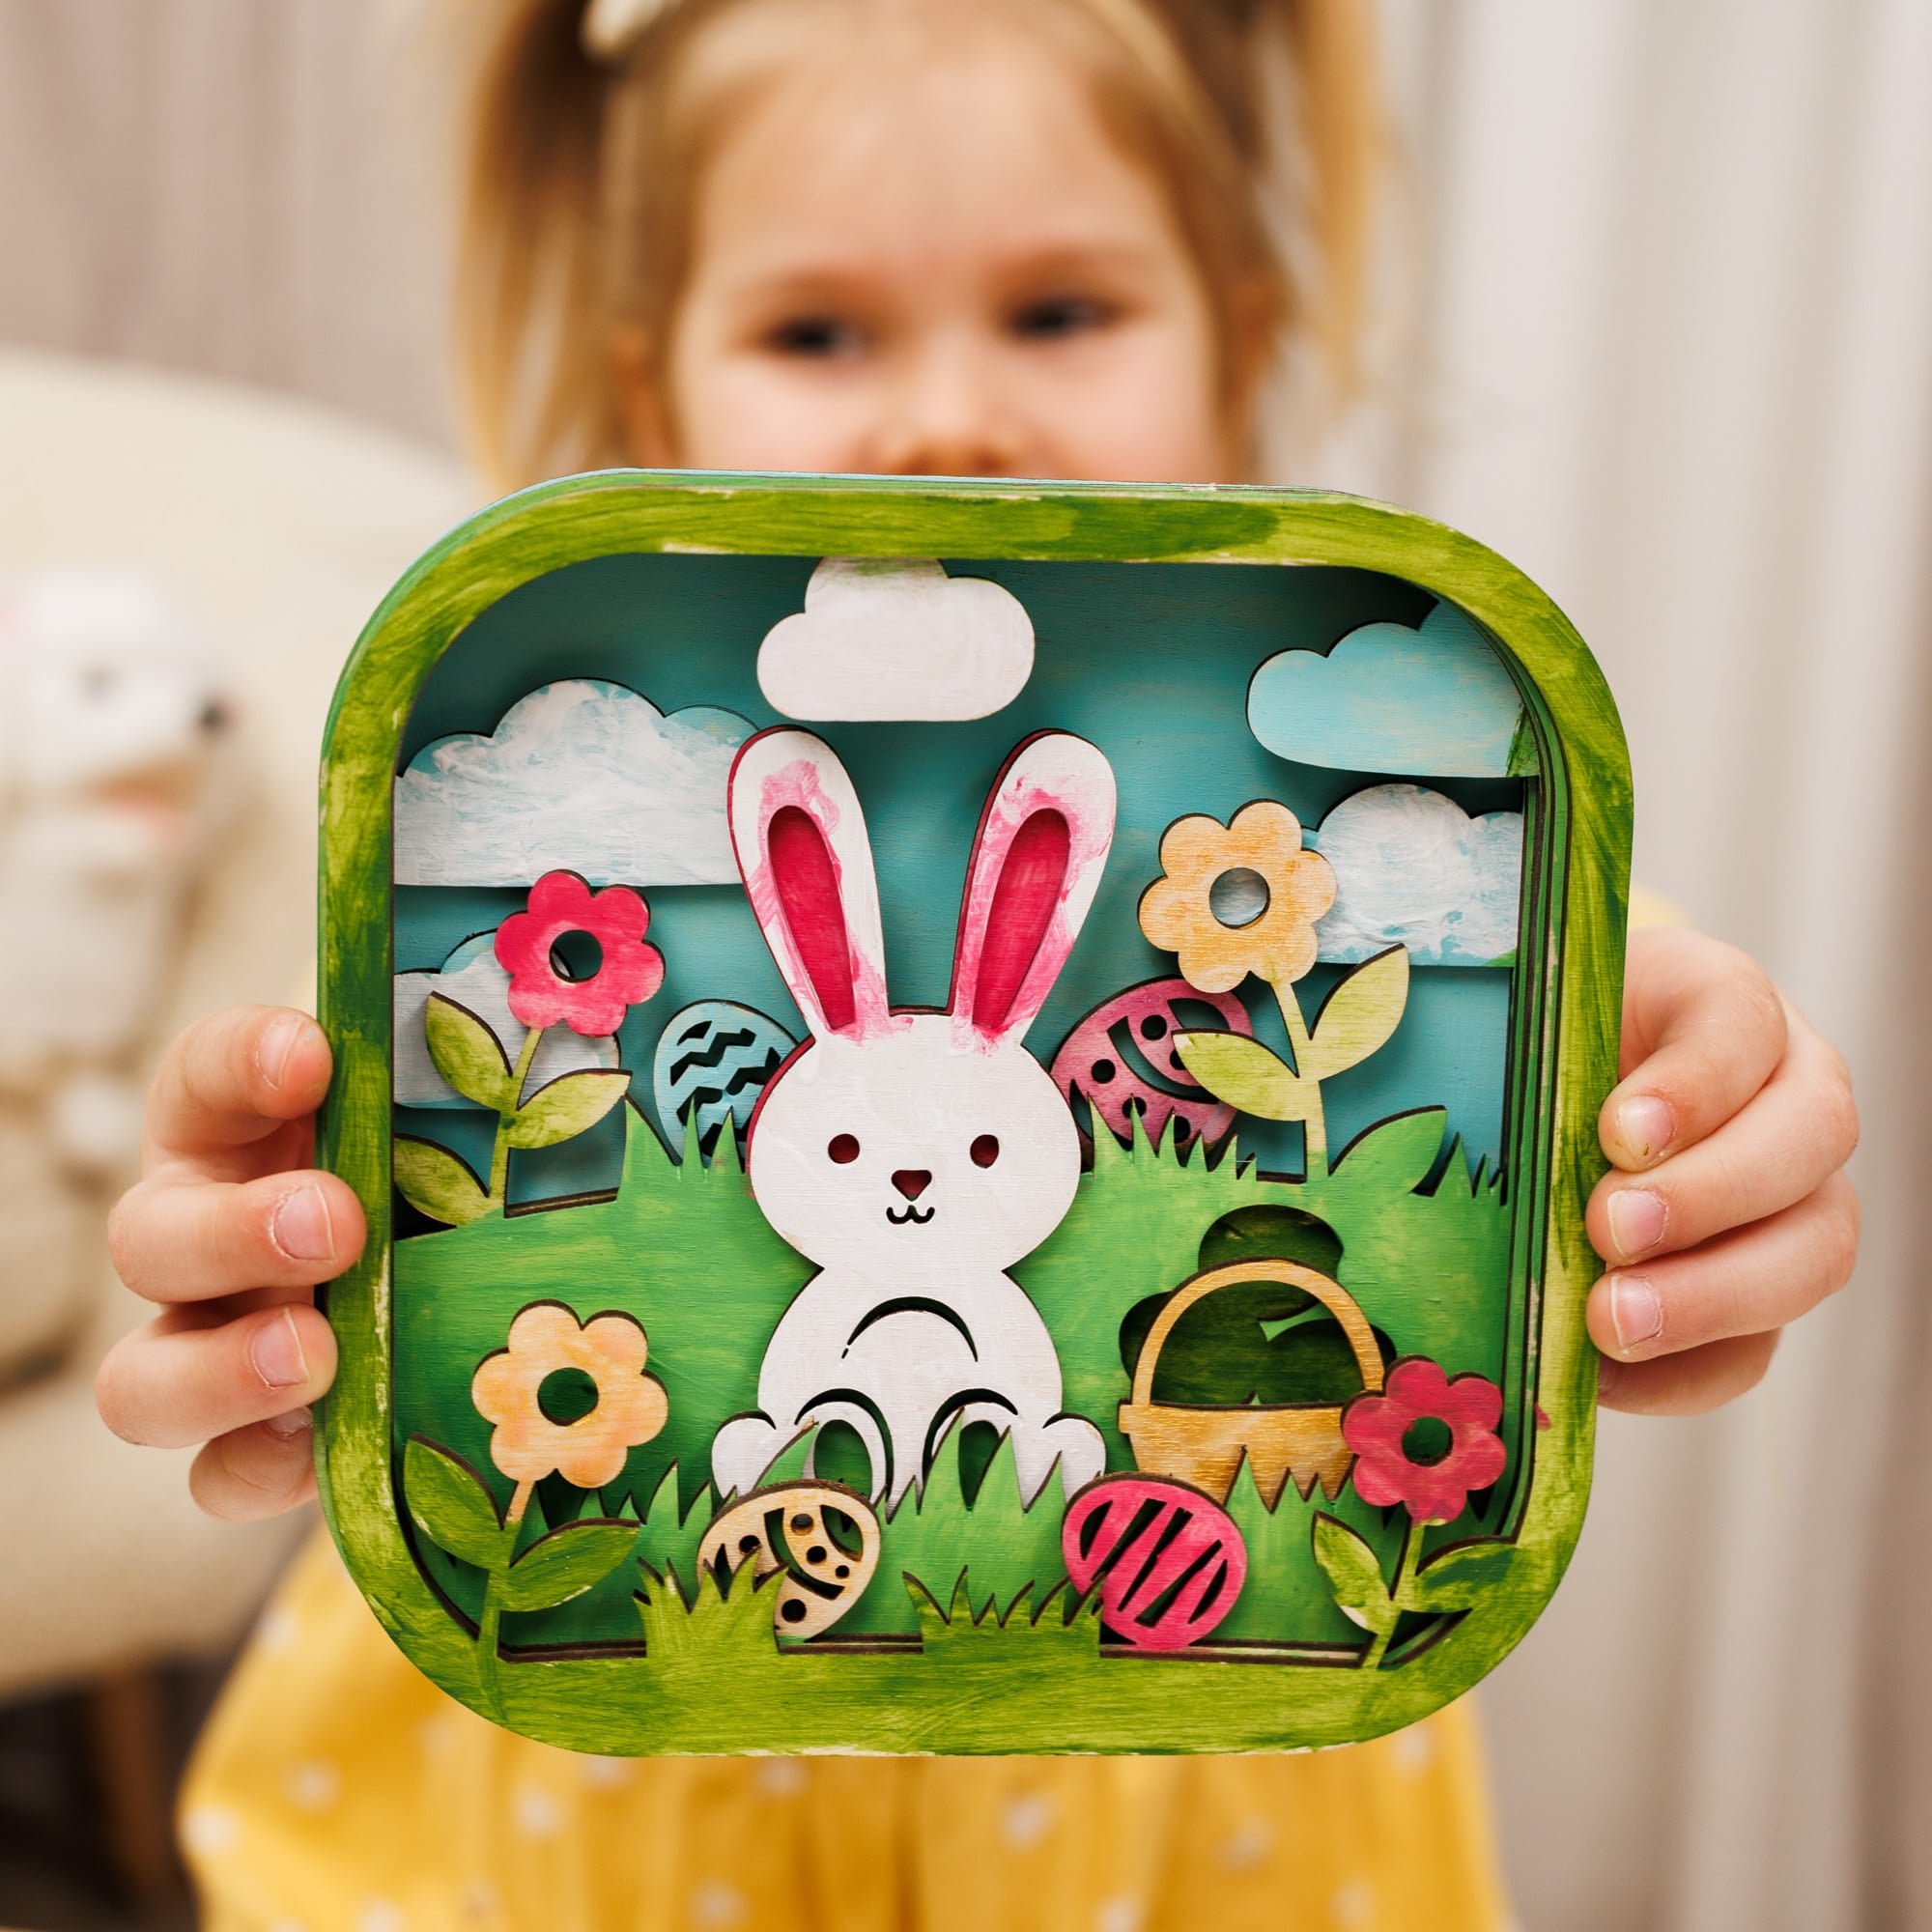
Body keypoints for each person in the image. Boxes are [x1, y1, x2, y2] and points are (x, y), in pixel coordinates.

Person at [96, 1, 1861, 1926]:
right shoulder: (525, 826)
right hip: (575, 1829)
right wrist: (279, 1254)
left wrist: (1684, 1104)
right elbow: (339, 1151)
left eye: (1057, 312)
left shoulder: (1358, 856)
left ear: (1243, 344)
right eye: (816, 332)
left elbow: (1602, 1035)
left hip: (1197, 1839)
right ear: (656, 398)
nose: (945, 413)